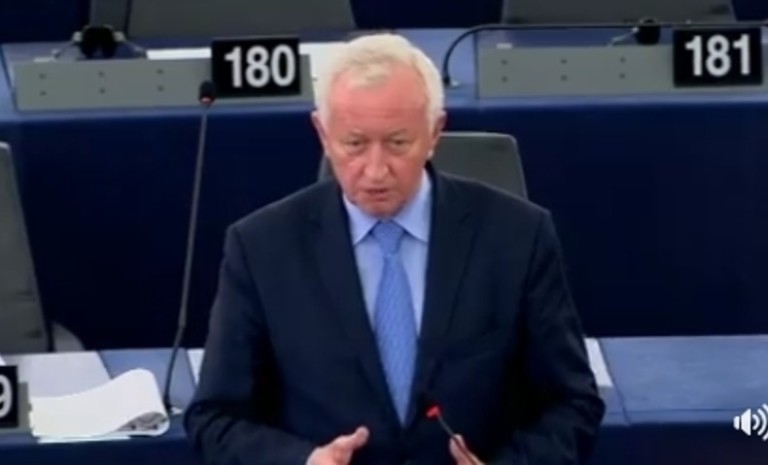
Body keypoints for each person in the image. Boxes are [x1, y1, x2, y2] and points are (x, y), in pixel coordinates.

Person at [184, 33, 604, 465]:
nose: (376, 169)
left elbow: (572, 403)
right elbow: (214, 418)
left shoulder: (518, 236)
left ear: (435, 132)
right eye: (354, 144)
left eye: (398, 143)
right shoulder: (262, 247)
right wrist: (305, 461)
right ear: (322, 133)